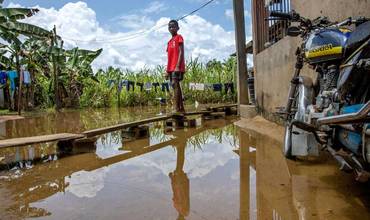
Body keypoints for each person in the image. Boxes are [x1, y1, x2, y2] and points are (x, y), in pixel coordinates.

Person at [166, 20, 185, 113]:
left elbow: (181, 52)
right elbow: (169, 57)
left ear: (178, 28)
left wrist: (177, 66)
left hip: (177, 66)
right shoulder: (169, 42)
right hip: (171, 68)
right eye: (170, 27)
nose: (171, 28)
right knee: (175, 86)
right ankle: (181, 107)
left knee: (175, 85)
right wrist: (167, 70)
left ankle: (176, 108)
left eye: (173, 26)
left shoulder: (179, 37)